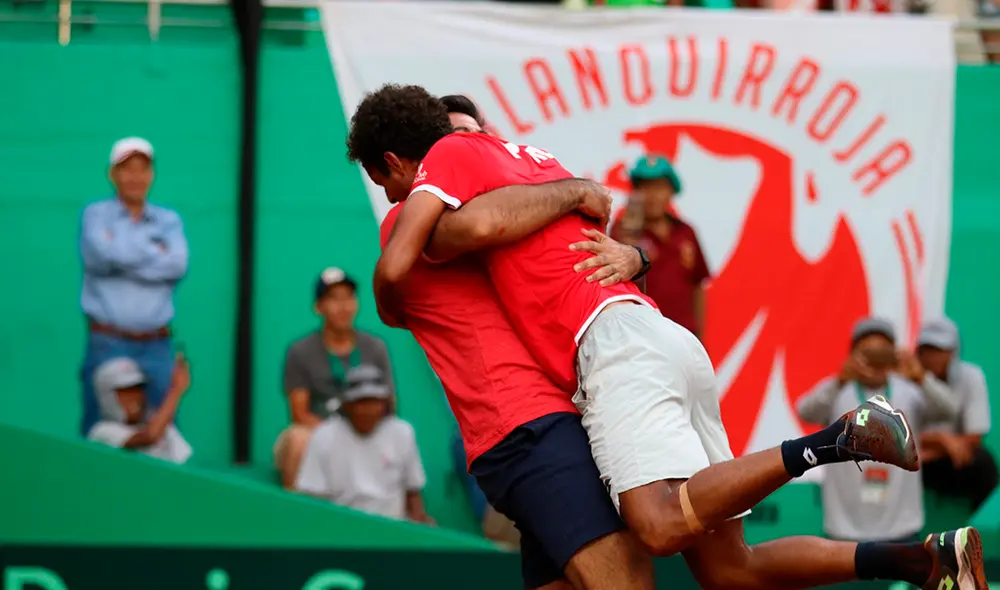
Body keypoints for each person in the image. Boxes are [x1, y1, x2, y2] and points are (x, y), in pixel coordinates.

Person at [350, 83, 986, 590]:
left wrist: (584, 209)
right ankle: (920, 562)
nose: (400, 195)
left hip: (598, 364)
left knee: (655, 528)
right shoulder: (538, 166)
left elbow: (418, 261)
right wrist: (592, 205)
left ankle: (838, 438)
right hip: (656, 342)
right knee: (732, 571)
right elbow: (580, 214)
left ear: (406, 162)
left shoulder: (447, 175)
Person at [369, 91, 657, 590]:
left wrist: (633, 255)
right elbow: (483, 220)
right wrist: (575, 190)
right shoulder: (413, 221)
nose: (473, 147)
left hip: (539, 424)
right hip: (528, 427)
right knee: (625, 581)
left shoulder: (459, 214)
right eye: (460, 140)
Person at [797, 318, 959, 542]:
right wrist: (840, 380)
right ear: (853, 354)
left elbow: (950, 409)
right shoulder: (837, 391)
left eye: (882, 352)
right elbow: (805, 411)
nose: (874, 359)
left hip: (902, 525)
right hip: (844, 528)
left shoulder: (909, 390)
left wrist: (920, 377)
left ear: (893, 353)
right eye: (866, 352)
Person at [79, 137, 188, 436]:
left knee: (164, 432)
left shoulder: (169, 220)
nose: (135, 177)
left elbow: (177, 264)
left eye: (143, 169)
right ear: (112, 174)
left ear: (151, 175)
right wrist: (155, 251)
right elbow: (101, 255)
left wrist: (122, 250)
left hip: (157, 344)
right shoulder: (95, 214)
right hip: (108, 341)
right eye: (127, 169)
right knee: (101, 431)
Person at [275, 267, 395, 489]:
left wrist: (360, 432)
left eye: (349, 297)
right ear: (318, 307)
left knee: (400, 433)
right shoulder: (300, 351)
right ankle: (292, 516)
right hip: (319, 432)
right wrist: (340, 436)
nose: (343, 306)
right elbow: (299, 414)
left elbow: (389, 406)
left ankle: (407, 515)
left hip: (368, 431)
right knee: (296, 439)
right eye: (333, 298)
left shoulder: (376, 348)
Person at [295, 365, 431, 523]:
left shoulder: (402, 432)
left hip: (393, 529)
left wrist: (420, 522)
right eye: (362, 403)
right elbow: (313, 498)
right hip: (342, 529)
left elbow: (413, 492)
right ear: (347, 405)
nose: (369, 410)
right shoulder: (324, 436)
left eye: (375, 402)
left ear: (385, 404)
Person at [610, 156, 710, 338]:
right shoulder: (622, 231)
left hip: (685, 336)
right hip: (642, 337)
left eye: (659, 187)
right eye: (645, 187)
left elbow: (697, 286)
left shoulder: (686, 232)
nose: (652, 195)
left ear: (672, 191)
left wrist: (700, 337)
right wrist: (628, 236)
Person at [914, 318, 998, 511]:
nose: (933, 356)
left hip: (946, 458)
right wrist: (942, 439)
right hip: (910, 456)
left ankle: (977, 530)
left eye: (940, 350)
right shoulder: (901, 381)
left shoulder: (972, 377)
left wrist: (936, 449)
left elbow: (974, 435)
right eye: (928, 350)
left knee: (984, 464)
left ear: (953, 352)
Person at [87, 355, 192, 464]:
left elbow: (184, 461)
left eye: (138, 389)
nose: (135, 398)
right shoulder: (101, 431)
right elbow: (150, 437)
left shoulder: (155, 422)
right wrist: (176, 390)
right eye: (125, 392)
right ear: (107, 397)